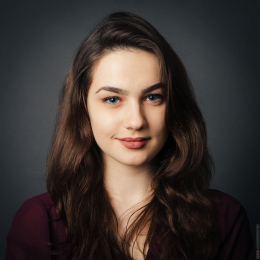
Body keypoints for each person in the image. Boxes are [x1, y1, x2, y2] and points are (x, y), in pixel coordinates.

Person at [6, 12, 253, 260]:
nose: (136, 121)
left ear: (175, 105)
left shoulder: (225, 219)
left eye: (153, 97)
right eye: (112, 99)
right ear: (83, 108)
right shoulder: (39, 221)